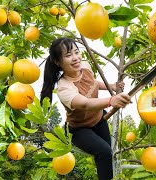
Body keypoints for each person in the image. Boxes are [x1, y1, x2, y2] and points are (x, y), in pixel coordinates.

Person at [40, 37, 131, 180]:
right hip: (79, 129)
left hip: (99, 119)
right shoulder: (64, 88)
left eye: (76, 52)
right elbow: (84, 103)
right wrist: (111, 100)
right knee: (104, 152)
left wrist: (112, 86)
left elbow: (93, 82)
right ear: (58, 62)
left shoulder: (85, 66)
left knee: (108, 156)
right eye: (68, 55)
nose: (75, 58)